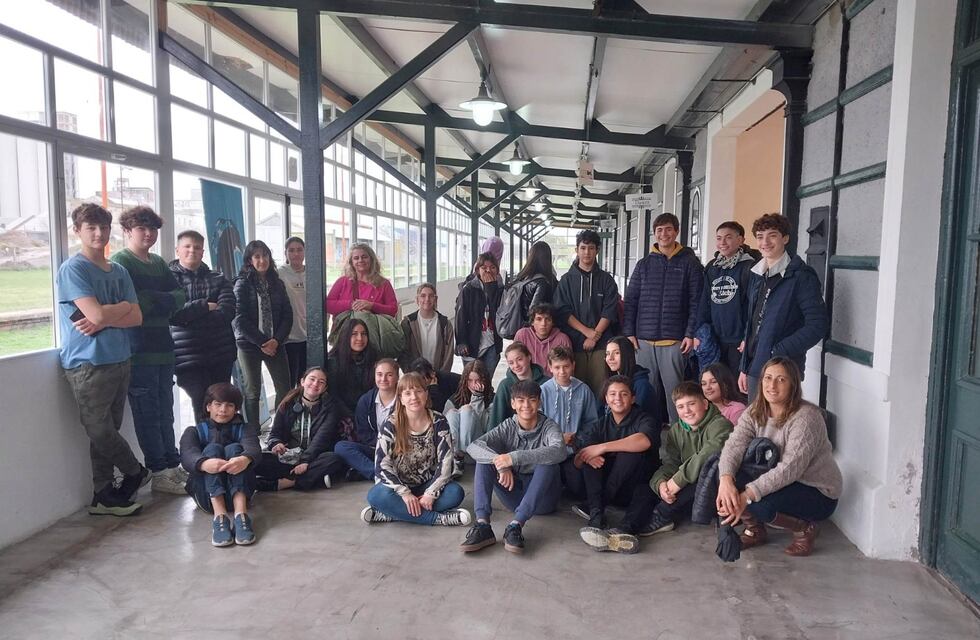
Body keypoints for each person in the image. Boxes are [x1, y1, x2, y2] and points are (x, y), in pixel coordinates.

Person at [58, 203, 146, 517]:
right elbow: (94, 315)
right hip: (87, 363)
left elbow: (137, 317)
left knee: (108, 431)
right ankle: (135, 470)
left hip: (120, 358)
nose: (99, 233)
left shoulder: (119, 271)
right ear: (77, 231)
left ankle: (104, 495)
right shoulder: (74, 269)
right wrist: (119, 308)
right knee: (98, 430)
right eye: (91, 228)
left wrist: (106, 316)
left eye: (104, 227)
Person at [581, 381, 732, 553]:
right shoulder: (677, 430)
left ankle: (661, 516)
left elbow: (706, 456)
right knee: (647, 487)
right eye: (681, 407)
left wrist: (676, 481)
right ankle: (623, 532)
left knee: (705, 473)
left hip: (715, 492)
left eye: (691, 404)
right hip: (683, 491)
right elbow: (670, 463)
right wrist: (661, 483)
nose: (687, 411)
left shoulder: (720, 425)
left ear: (704, 404)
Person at [717, 357, 842, 556]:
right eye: (768, 378)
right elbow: (734, 446)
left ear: (793, 385)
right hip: (781, 479)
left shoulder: (806, 417)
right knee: (726, 477)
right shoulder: (755, 411)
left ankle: (805, 529)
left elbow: (789, 469)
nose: (772, 385)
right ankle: (755, 530)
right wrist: (726, 480)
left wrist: (746, 496)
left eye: (781, 379)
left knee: (757, 503)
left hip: (816, 490)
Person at [110, 206, 187, 495]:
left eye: (152, 229)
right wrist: (161, 300)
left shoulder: (158, 263)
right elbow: (133, 305)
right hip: (138, 351)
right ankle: (159, 471)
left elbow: (180, 296)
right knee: (148, 414)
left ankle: (172, 464)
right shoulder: (121, 262)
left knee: (166, 411)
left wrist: (155, 300)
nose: (148, 234)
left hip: (164, 348)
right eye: (141, 228)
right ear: (127, 231)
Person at [461, 380, 566, 554]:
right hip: (513, 494)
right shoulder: (508, 426)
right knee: (484, 459)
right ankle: (483, 525)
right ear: (513, 403)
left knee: (549, 463)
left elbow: (560, 450)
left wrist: (513, 458)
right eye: (521, 400)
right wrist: (501, 464)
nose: (526, 405)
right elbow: (474, 446)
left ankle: (516, 526)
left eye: (532, 400)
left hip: (543, 500)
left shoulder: (549, 427)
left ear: (539, 402)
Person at [623, 212, 704, 422]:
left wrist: (689, 333)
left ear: (676, 232)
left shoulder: (690, 263)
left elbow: (696, 302)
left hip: (674, 341)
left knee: (675, 395)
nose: (664, 234)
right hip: (643, 341)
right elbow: (631, 300)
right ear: (654, 234)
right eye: (659, 230)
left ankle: (679, 435)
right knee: (645, 392)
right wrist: (629, 332)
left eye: (668, 229)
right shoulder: (643, 264)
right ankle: (647, 433)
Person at [738, 213, 829, 401]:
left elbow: (817, 325)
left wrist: (778, 351)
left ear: (785, 238)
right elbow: (753, 322)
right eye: (760, 237)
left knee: (779, 420)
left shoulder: (802, 276)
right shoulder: (757, 274)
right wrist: (744, 367)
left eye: (772, 235)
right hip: (755, 367)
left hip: (783, 370)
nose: (765, 242)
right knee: (756, 419)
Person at [361, 373, 471, 526]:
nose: (414, 397)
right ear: (401, 398)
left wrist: (431, 493)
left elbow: (446, 462)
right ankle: (438, 519)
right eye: (407, 393)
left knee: (455, 493)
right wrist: (405, 493)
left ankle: (393, 514)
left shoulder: (439, 421)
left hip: (427, 484)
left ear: (426, 394)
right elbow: (382, 465)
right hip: (397, 489)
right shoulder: (390, 424)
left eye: (418, 391)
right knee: (375, 496)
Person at [568, 376, 660, 529]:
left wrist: (603, 447)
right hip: (608, 487)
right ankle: (596, 514)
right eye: (612, 394)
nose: (618, 398)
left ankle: (599, 506)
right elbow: (578, 462)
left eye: (624, 394)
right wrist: (587, 457)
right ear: (606, 399)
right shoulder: (600, 424)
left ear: (633, 398)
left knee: (629, 453)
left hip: (635, 486)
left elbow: (644, 441)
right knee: (591, 456)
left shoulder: (644, 419)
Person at [170, 230, 237, 424]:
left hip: (220, 354)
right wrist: (205, 306)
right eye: (187, 246)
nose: (192, 250)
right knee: (201, 403)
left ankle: (222, 441)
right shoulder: (168, 280)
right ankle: (204, 443)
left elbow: (226, 312)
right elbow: (174, 315)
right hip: (187, 357)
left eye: (197, 247)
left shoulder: (218, 278)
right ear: (177, 250)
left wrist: (190, 319)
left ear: (202, 252)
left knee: (222, 403)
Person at [179, 382, 259, 546]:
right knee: (212, 449)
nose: (223, 410)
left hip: (242, 494)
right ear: (208, 406)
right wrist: (203, 464)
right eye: (218, 404)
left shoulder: (245, 429)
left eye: (229, 405)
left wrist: (244, 459)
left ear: (236, 409)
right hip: (207, 498)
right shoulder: (193, 431)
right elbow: (187, 455)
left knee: (234, 448)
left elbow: (253, 448)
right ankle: (220, 517)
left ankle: (241, 515)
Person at [232, 240, 293, 430]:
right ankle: (253, 433)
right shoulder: (242, 283)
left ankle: (279, 430)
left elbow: (287, 315)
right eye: (257, 256)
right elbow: (239, 318)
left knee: (284, 388)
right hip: (249, 345)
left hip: (276, 344)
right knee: (252, 391)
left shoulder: (277, 283)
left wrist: (276, 341)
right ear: (249, 260)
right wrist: (262, 342)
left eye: (265, 255)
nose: (262, 260)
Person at [255, 367, 347, 491]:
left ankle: (286, 483)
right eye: (312, 379)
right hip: (288, 456)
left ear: (325, 388)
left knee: (334, 459)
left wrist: (305, 461)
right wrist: (276, 444)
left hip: (314, 457)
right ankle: (313, 477)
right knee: (257, 459)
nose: (315, 384)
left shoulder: (330, 408)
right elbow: (275, 433)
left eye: (321, 382)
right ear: (302, 381)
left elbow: (322, 439)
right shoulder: (288, 403)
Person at [554, 229, 621, 398]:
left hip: (601, 344)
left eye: (591, 248)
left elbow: (609, 309)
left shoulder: (606, 280)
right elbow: (563, 311)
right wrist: (586, 332)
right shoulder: (566, 280)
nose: (587, 252)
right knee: (576, 389)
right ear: (576, 250)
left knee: (601, 388)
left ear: (597, 250)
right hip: (574, 343)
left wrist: (595, 336)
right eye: (583, 248)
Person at [697, 222, 758, 375]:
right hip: (714, 339)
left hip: (738, 341)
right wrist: (698, 332)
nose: (722, 242)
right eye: (719, 238)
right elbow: (704, 303)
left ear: (740, 240)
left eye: (728, 237)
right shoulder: (712, 267)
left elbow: (754, 307)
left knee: (736, 384)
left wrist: (748, 337)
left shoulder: (750, 267)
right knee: (716, 382)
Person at [540, 346, 599, 492]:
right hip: (550, 451)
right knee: (549, 486)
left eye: (566, 366)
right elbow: (537, 424)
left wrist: (577, 438)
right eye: (557, 367)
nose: (562, 371)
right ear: (550, 368)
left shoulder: (584, 390)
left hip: (574, 451)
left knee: (577, 489)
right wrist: (559, 438)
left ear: (573, 365)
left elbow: (591, 422)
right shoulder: (543, 391)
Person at [335, 359, 400, 481]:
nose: (383, 379)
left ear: (397, 377)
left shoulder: (405, 399)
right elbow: (363, 433)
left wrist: (391, 446)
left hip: (398, 449)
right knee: (341, 447)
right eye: (379, 374)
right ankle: (379, 475)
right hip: (375, 449)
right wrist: (381, 445)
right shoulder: (366, 400)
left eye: (389, 375)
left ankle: (369, 471)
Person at [444, 359, 495, 477]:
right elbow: (444, 426)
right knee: (451, 412)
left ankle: (460, 454)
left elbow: (486, 427)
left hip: (477, 448)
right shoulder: (456, 398)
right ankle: (456, 456)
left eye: (477, 380)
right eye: (470, 380)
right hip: (454, 453)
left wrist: (477, 398)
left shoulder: (492, 398)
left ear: (484, 380)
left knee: (467, 409)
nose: (473, 384)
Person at [455, 252, 503, 374]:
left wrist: (491, 288)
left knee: (486, 379)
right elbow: (460, 317)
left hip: (492, 343)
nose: (488, 271)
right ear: (477, 270)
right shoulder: (468, 289)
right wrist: (461, 342)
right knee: (472, 378)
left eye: (492, 267)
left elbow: (501, 313)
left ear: (497, 270)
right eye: (484, 267)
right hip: (472, 343)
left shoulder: (500, 289)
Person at [326, 242, 398, 319]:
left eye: (364, 257)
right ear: (351, 262)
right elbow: (328, 305)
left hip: (374, 326)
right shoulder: (342, 282)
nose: (360, 260)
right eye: (356, 258)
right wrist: (352, 305)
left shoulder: (384, 283)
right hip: (346, 326)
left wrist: (371, 306)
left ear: (371, 259)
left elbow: (393, 310)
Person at [325, 318, 380, 419]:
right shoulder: (334, 361)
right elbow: (333, 396)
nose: (360, 338)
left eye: (364, 334)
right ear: (345, 336)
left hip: (369, 412)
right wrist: (352, 416)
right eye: (354, 334)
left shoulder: (374, 357)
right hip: (342, 416)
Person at [603, 336, 665, 424]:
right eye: (607, 354)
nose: (610, 358)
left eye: (616, 353)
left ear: (627, 355)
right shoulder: (609, 381)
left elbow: (639, 421)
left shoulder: (642, 385)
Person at [489, 342, 548, 429]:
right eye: (511, 363)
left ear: (529, 357)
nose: (516, 365)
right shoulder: (505, 385)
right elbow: (496, 419)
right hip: (512, 433)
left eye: (519, 359)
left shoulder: (547, 383)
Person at [399, 282, 455, 373]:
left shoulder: (445, 324)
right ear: (417, 299)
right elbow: (403, 353)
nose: (427, 299)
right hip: (414, 376)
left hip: (437, 375)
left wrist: (441, 376)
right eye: (423, 296)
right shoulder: (407, 323)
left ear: (436, 299)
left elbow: (448, 355)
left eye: (431, 296)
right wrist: (411, 374)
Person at [279, 236, 308, 384]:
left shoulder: (312, 273)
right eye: (291, 250)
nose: (296, 254)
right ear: (285, 253)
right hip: (288, 335)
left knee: (305, 378)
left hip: (309, 335)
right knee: (289, 379)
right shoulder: (279, 273)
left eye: (299, 250)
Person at [513, 303, 572, 376]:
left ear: (553, 322)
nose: (543, 324)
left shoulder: (562, 339)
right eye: (539, 319)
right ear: (532, 322)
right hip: (527, 379)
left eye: (548, 319)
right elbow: (514, 362)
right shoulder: (522, 335)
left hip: (553, 381)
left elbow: (568, 369)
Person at [511, 240, 558, 325]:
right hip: (535, 329)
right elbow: (534, 311)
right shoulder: (544, 282)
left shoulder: (521, 277)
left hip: (516, 324)